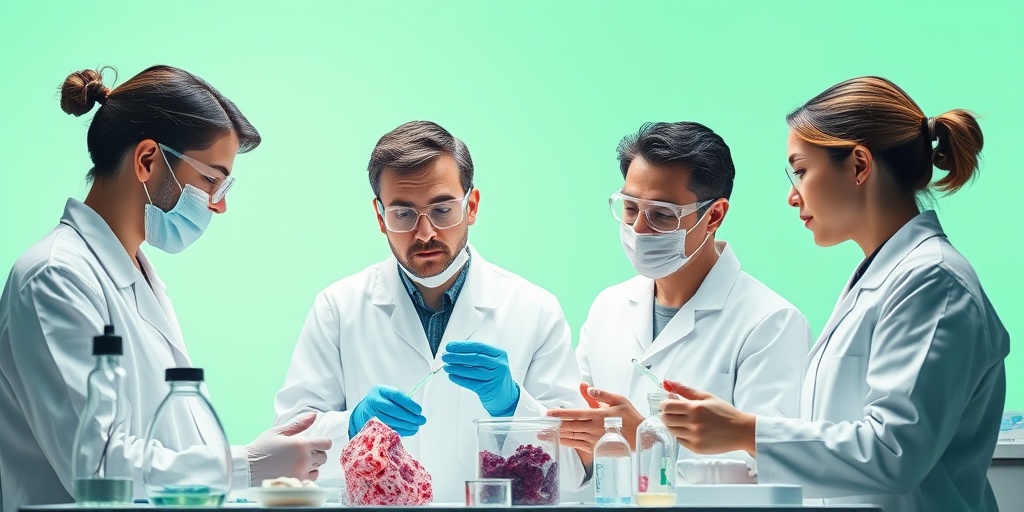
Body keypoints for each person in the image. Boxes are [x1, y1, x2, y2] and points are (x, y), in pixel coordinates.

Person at [658, 77, 1009, 511]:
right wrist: (735, 434)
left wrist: (745, 431)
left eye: (801, 170)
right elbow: (836, 451)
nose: (792, 196)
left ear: (859, 165)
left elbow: (893, 453)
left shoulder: (933, 283)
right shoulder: (881, 280)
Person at [0, 66, 330, 512]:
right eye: (212, 180)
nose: (220, 204)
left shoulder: (138, 274)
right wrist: (246, 466)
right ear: (148, 160)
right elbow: (97, 470)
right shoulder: (55, 278)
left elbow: (168, 444)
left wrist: (253, 463)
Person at [273, 120, 587, 502]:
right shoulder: (338, 308)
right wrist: (354, 425)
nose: (425, 233)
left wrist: (511, 406)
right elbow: (285, 449)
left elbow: (572, 472)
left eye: (441, 210)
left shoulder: (536, 310)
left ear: (471, 206)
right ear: (380, 216)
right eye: (403, 214)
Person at [549, 121, 810, 474]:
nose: (639, 229)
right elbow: (575, 451)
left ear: (713, 215)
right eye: (629, 208)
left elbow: (771, 468)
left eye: (662, 215)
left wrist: (646, 439)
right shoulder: (607, 308)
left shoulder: (770, 323)